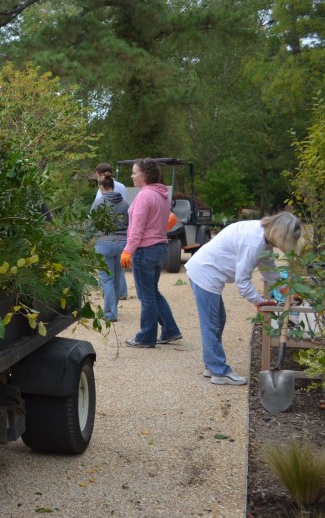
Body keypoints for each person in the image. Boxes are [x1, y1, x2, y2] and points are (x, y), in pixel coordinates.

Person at [185, 212, 303, 385]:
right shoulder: (253, 242)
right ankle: (219, 371)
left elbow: (269, 270)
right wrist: (259, 301)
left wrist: (286, 292)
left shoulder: (263, 236)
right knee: (212, 323)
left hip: (206, 272)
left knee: (217, 320)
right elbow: (242, 282)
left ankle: (211, 365)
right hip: (205, 274)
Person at [123, 157, 182, 348]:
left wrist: (127, 250)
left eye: (134, 172)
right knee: (153, 293)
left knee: (146, 296)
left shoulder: (144, 196)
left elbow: (137, 228)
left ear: (145, 175)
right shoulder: (162, 194)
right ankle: (170, 331)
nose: (132, 176)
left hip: (145, 250)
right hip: (159, 248)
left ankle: (146, 337)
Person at [91, 175, 129, 321]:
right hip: (122, 243)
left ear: (101, 188)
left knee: (106, 279)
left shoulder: (98, 202)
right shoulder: (125, 204)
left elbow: (92, 223)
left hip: (104, 243)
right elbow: (130, 223)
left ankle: (110, 313)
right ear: (113, 186)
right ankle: (113, 309)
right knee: (117, 278)